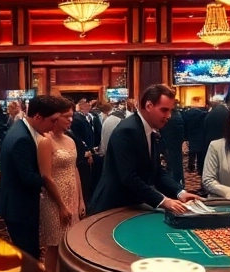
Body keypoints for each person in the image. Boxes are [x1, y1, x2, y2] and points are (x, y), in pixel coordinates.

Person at [89, 85, 202, 215]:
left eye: (170, 110)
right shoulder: (128, 130)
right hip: (113, 206)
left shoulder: (149, 130)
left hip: (133, 205)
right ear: (149, 106)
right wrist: (163, 200)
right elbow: (129, 178)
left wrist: (179, 192)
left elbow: (157, 171)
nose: (169, 115)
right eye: (164, 110)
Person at [0, 95, 63, 259]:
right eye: (53, 120)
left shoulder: (22, 128)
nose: (55, 125)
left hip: (17, 204)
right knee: (29, 257)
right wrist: (52, 178)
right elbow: (28, 178)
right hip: (19, 208)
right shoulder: (22, 138)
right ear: (38, 117)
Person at [38, 97, 84, 250]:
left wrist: (81, 200)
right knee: (55, 246)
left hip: (72, 196)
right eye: (67, 116)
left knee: (71, 245)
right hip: (54, 200)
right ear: (56, 117)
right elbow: (46, 176)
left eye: (72, 115)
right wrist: (62, 206)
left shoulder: (70, 140)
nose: (71, 119)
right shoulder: (45, 141)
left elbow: (74, 169)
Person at [70, 99, 100, 201]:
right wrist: (87, 151)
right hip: (80, 159)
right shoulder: (78, 119)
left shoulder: (84, 118)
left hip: (85, 154)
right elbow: (81, 138)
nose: (69, 120)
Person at [162, 103, 186, 185]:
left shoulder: (173, 117)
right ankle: (179, 182)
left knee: (173, 165)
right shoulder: (177, 115)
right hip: (175, 144)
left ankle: (176, 183)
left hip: (171, 144)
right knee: (176, 165)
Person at [183, 97, 208, 174]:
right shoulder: (202, 114)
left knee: (192, 151)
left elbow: (185, 125)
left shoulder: (186, 114)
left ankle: (191, 167)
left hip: (191, 134)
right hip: (200, 134)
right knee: (199, 152)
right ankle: (199, 168)